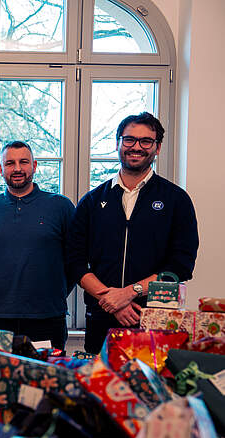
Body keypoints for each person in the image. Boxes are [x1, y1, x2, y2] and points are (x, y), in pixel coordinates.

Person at [66, 112, 199, 353]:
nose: (136, 147)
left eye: (146, 141)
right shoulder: (92, 201)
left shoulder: (176, 200)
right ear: (117, 143)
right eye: (129, 140)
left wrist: (129, 293)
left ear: (157, 148)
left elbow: (181, 266)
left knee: (157, 388)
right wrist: (112, 301)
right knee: (101, 387)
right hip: (101, 319)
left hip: (156, 319)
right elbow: (75, 262)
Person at [0, 141, 75, 349]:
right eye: (10, 163)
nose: (17, 168)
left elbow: (74, 263)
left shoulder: (61, 207)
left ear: (34, 166)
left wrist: (52, 292)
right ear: (1, 169)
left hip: (47, 318)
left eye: (23, 162)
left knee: (44, 380)